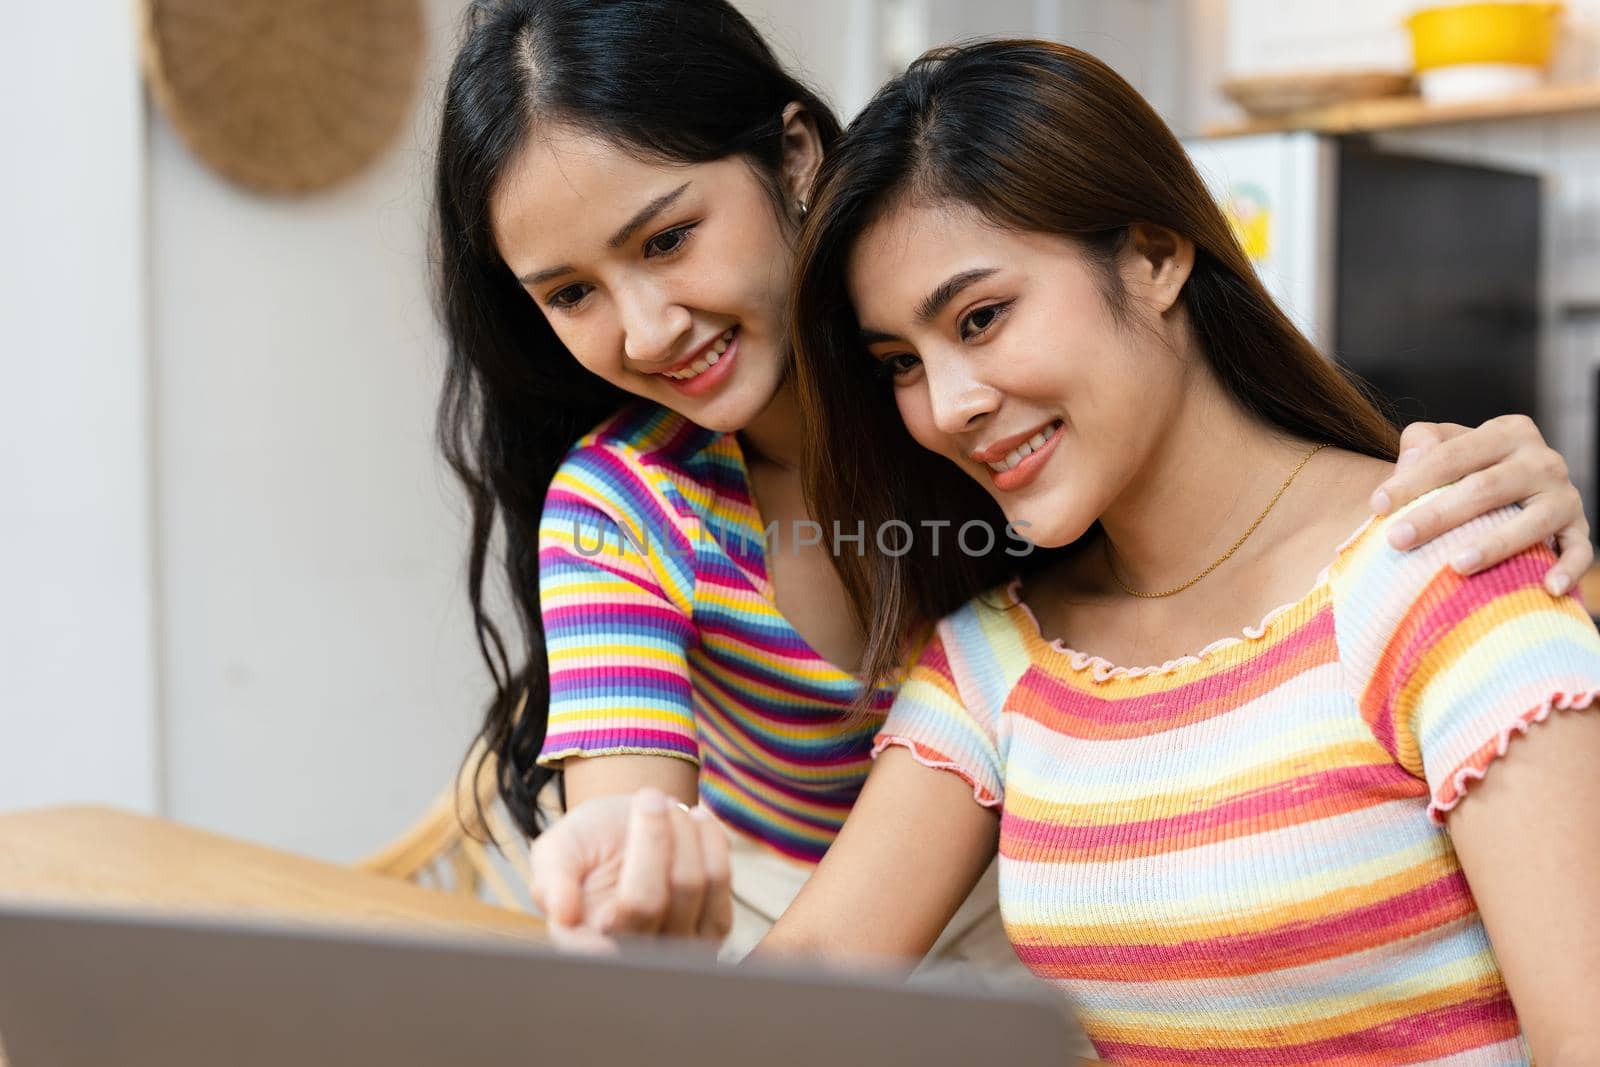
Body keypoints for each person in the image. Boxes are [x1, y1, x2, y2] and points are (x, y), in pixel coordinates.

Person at [434, 0, 1593, 970]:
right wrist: (634, 910)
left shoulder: (1016, 438)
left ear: (791, 157)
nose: (645, 326)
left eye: (666, 237)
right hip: (799, 912)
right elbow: (644, 839)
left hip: (1034, 892)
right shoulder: (641, 508)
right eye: (569, 293)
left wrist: (1523, 520)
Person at [736, 39, 1600, 1064]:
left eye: (981, 316)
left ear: (1153, 256)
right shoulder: (995, 660)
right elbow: (799, 994)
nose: (947, 405)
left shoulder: (1442, 566)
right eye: (899, 363)